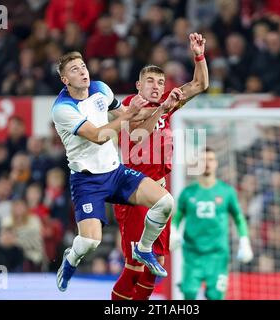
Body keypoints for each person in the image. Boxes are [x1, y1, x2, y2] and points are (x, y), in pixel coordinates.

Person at [52, 51, 183, 292]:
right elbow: (99, 136)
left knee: (165, 202)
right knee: (90, 242)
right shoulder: (63, 108)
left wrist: (162, 108)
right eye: (74, 70)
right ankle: (70, 260)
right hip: (87, 180)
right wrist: (130, 115)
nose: (82, 72)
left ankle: (144, 248)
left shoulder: (101, 88)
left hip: (115, 172)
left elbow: (124, 117)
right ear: (65, 80)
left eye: (83, 66)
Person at [111, 32, 209, 300]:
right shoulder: (130, 106)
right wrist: (162, 108)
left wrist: (199, 55)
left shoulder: (167, 103)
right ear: (138, 85)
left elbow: (200, 84)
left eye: (161, 82)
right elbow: (138, 135)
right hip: (133, 193)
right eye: (150, 81)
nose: (156, 86)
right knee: (135, 265)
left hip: (160, 195)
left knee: (158, 264)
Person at [172, 148, 253, 300]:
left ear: (216, 163)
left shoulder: (227, 191)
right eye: (203, 160)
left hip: (217, 255)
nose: (207, 164)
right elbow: (177, 217)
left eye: (210, 160)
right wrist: (173, 231)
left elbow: (239, 218)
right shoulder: (187, 193)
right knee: (188, 294)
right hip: (192, 255)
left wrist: (244, 241)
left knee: (215, 296)